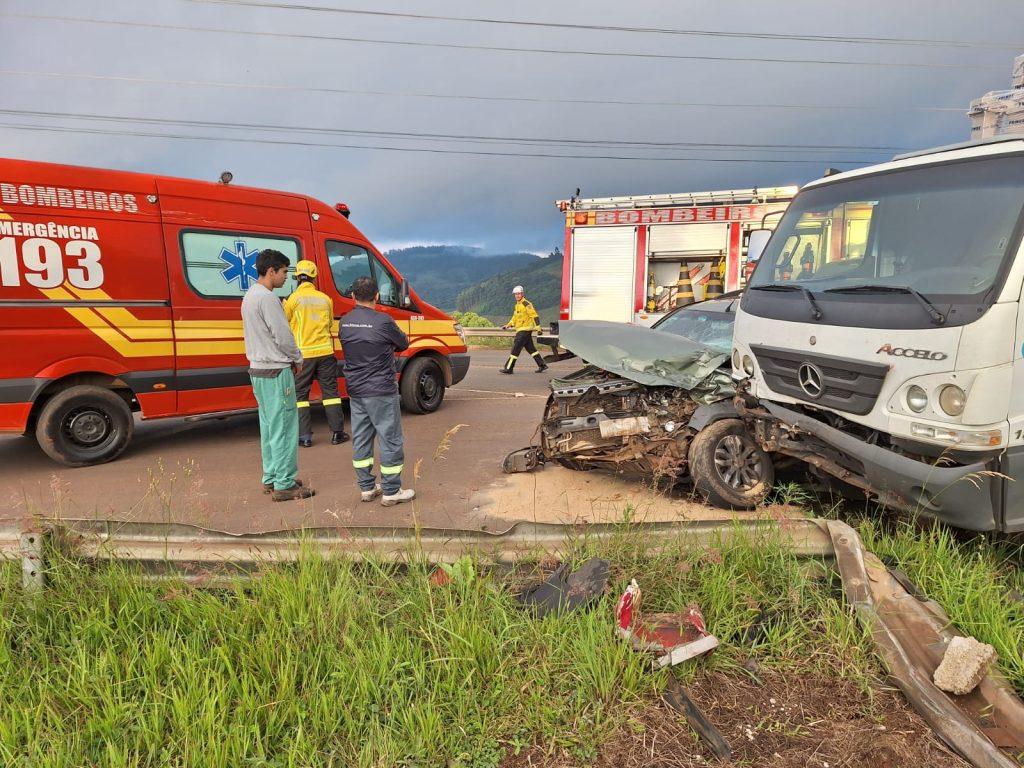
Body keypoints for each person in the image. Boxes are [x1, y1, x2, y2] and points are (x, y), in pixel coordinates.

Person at [240, 249, 314, 502]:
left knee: (270, 426)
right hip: (276, 370)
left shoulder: (249, 296)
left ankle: (271, 477)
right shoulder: (269, 299)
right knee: (284, 427)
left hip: (258, 370)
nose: (286, 277)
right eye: (284, 272)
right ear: (271, 271)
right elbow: (282, 335)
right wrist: (297, 357)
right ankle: (285, 483)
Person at [338, 276, 415, 506]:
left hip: (356, 390)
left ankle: (367, 488)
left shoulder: (345, 322)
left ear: (353, 296)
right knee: (390, 439)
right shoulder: (383, 321)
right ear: (377, 296)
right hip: (381, 389)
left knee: (361, 438)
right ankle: (392, 490)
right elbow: (403, 343)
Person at [284, 259, 350, 448]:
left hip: (303, 355)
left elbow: (285, 322)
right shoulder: (325, 299)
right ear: (314, 277)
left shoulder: (293, 299)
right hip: (325, 352)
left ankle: (305, 437)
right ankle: (337, 433)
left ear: (297, 277)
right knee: (330, 393)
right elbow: (329, 324)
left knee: (301, 396)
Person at [500, 285, 548, 374]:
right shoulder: (517, 305)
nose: (517, 295)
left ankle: (509, 368)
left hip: (524, 331)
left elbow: (534, 316)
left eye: (519, 294)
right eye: (515, 294)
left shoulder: (526, 304)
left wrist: (538, 328)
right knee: (531, 349)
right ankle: (542, 365)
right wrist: (508, 325)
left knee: (515, 350)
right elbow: (515, 318)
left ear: (522, 294)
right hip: (522, 331)